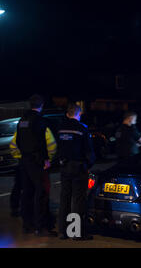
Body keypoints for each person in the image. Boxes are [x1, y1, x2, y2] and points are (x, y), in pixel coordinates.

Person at [11, 94, 58, 237]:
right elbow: (41, 142)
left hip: (24, 161)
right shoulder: (39, 120)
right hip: (37, 161)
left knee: (27, 192)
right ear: (41, 105)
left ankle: (27, 225)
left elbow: (18, 141)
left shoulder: (22, 120)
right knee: (42, 192)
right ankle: (41, 227)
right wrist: (45, 159)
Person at [57, 103, 95, 240]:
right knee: (78, 201)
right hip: (78, 168)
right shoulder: (82, 128)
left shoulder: (60, 129)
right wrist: (88, 165)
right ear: (79, 114)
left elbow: (57, 147)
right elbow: (89, 150)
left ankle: (62, 231)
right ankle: (76, 233)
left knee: (64, 199)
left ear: (68, 114)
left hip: (64, 167)